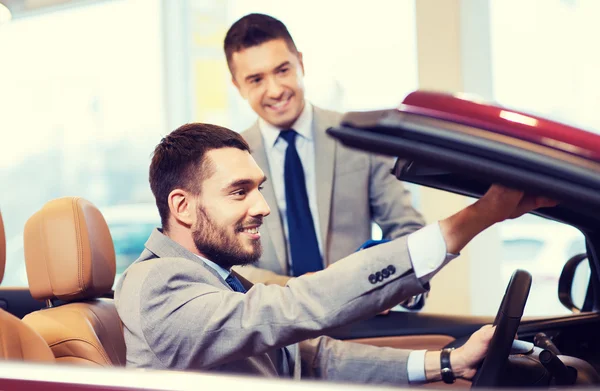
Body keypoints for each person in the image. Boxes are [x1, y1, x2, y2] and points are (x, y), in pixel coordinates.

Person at [114, 123, 556, 385]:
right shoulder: (156, 284)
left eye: (259, 188)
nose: (263, 206)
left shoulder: (216, 278)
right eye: (238, 192)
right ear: (183, 207)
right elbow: (292, 306)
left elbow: (312, 359)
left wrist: (446, 362)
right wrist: (476, 218)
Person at [223, 13, 426, 290]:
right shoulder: (229, 159)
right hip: (271, 321)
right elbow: (224, 259)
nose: (275, 90)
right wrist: (296, 292)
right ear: (238, 86)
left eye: (282, 70)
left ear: (301, 64)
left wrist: (389, 284)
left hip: (359, 313)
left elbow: (407, 229)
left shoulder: (359, 138)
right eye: (256, 80)